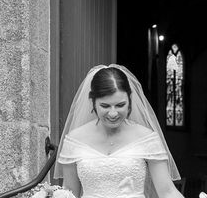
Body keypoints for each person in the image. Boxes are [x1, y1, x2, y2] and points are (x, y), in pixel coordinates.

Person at [54, 64, 185, 198]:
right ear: (92, 101)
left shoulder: (147, 137)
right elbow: (69, 191)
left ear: (129, 100)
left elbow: (167, 191)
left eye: (120, 105)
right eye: (105, 106)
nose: (113, 113)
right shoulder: (74, 140)